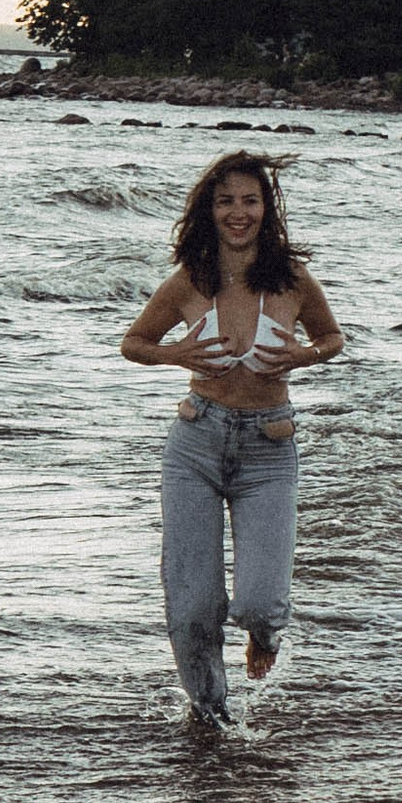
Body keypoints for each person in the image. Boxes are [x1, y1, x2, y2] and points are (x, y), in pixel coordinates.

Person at [120, 152, 345, 724]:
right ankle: (211, 716)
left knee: (261, 603)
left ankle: (263, 637)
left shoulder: (292, 279)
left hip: (269, 449)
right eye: (225, 202)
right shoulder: (190, 280)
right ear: (210, 210)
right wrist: (176, 354)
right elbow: (134, 343)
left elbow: (332, 337)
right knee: (193, 605)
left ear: (266, 209)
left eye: (249, 200)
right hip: (195, 443)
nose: (237, 212)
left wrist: (304, 355)